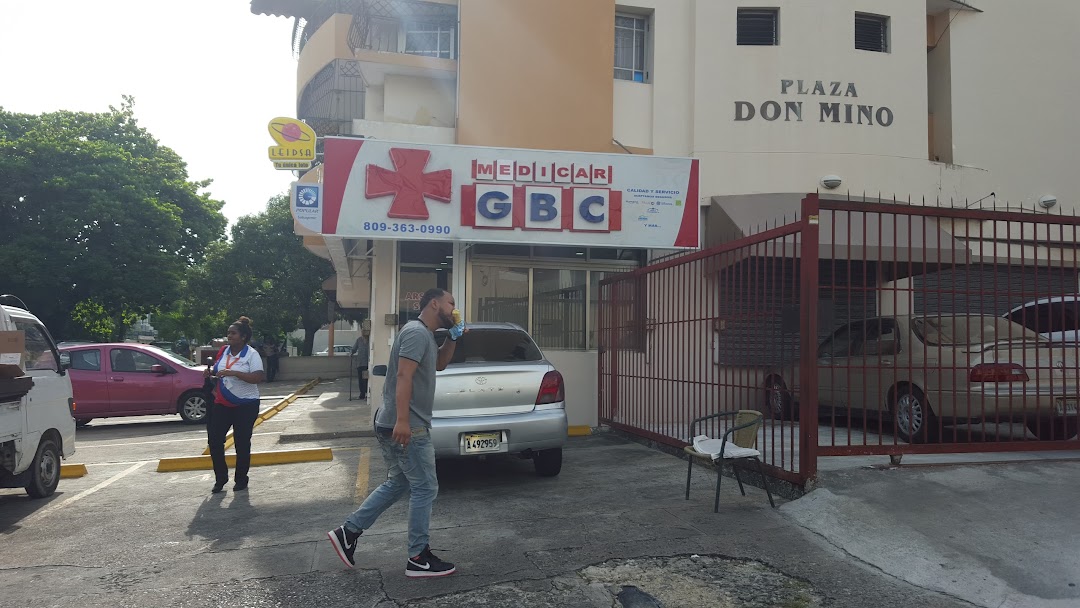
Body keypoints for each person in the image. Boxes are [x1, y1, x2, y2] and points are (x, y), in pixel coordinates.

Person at [327, 289, 465, 578]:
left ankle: (348, 532)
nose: (454, 308)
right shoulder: (416, 332)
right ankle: (418, 557)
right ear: (435, 303)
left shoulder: (426, 335)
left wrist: (452, 337)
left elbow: (439, 364)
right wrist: (403, 420)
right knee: (425, 487)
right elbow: (404, 375)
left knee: (399, 482)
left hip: (399, 422)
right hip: (408, 425)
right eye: (451, 303)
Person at [204, 316, 265, 494]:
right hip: (222, 403)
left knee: (242, 443)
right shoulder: (223, 351)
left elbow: (258, 377)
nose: (229, 335)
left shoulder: (252, 354)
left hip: (246, 405)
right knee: (215, 440)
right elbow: (217, 371)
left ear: (243, 337)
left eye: (233, 333)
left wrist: (235, 373)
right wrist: (209, 374)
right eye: (228, 332)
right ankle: (220, 478)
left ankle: (241, 479)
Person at [351, 332, 369, 399]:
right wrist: (351, 352)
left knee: (366, 379)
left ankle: (367, 394)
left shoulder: (370, 340)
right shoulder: (359, 340)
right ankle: (362, 394)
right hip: (360, 363)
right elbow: (354, 348)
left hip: (367, 364)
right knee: (361, 379)